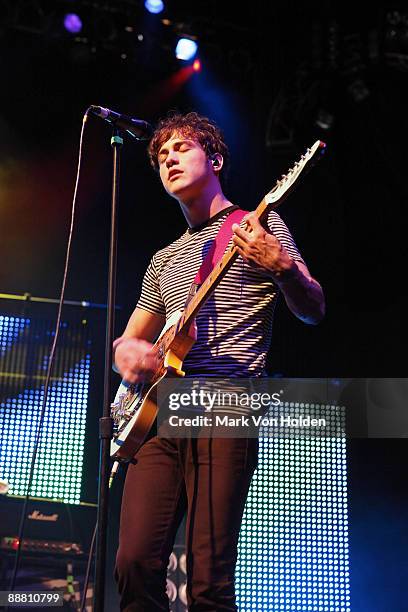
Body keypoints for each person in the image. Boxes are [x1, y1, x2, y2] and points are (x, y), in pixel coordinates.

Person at [113, 111, 325, 611]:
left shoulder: (260, 226)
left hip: (226, 404)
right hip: (157, 412)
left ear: (216, 159)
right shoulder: (165, 257)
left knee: (209, 580)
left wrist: (284, 269)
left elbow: (314, 308)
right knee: (133, 563)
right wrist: (129, 354)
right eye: (161, 155)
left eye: (181, 149)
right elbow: (127, 341)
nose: (169, 159)